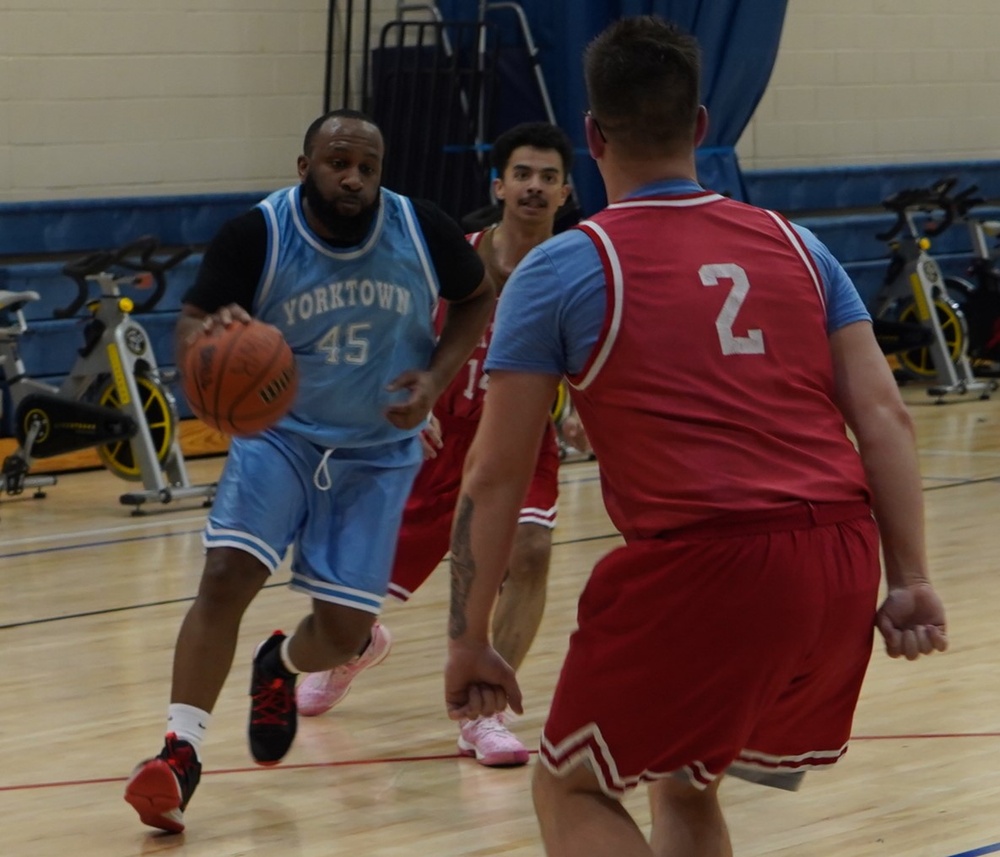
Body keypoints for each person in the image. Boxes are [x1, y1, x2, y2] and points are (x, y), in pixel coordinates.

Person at [443, 15, 948, 857]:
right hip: (840, 559)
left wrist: (467, 637)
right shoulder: (801, 244)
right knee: (685, 773)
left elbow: (495, 474)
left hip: (707, 563)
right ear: (703, 127)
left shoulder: (565, 266)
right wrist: (912, 579)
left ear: (593, 135)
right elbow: (887, 418)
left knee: (571, 785)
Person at [123, 108, 495, 834]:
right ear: (306, 168)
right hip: (280, 436)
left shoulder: (421, 228)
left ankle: (282, 662)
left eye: (366, 167)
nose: (352, 178)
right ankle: (179, 753)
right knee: (227, 575)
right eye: (337, 164)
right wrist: (208, 349)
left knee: (344, 630)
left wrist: (436, 378)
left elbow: (477, 297)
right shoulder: (258, 234)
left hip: (376, 449)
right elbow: (195, 321)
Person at [294, 121, 588, 767]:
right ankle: (358, 643)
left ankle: (484, 709)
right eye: (523, 174)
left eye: (547, 177)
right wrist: (409, 399)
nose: (534, 187)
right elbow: (390, 328)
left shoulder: (575, 269)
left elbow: (594, 353)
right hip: (437, 436)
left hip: (516, 439)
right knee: (357, 593)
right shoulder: (453, 254)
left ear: (566, 192)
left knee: (530, 552)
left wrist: (584, 410)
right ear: (499, 185)